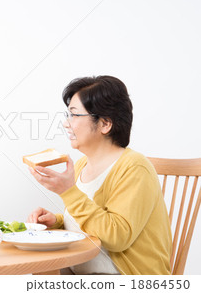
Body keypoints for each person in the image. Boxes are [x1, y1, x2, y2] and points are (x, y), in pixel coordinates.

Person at [27, 76, 171, 275]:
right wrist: (58, 221)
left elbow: (117, 236)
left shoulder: (135, 167)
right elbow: (93, 218)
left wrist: (68, 192)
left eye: (75, 115)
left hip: (123, 278)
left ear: (105, 124)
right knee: (39, 266)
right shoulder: (83, 164)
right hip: (80, 272)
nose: (66, 124)